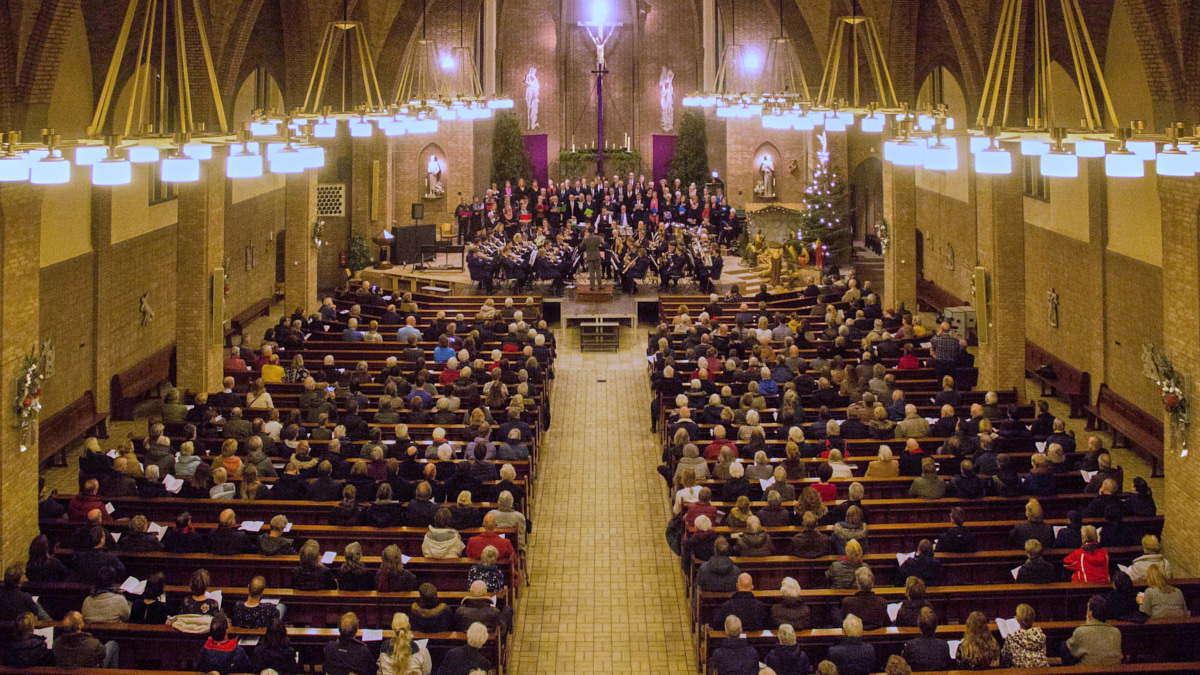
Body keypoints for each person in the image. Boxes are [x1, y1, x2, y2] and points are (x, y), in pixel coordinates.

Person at [1063, 595, 1122, 665]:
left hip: (1087, 671)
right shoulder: (1116, 632)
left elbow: (1072, 650)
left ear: (1090, 613)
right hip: (1113, 670)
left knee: (1064, 646)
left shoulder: (1081, 631)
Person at [840, 567, 889, 631]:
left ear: (858, 584)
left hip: (855, 637)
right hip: (877, 638)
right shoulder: (882, 602)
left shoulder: (848, 602)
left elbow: (843, 623)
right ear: (873, 583)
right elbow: (886, 623)